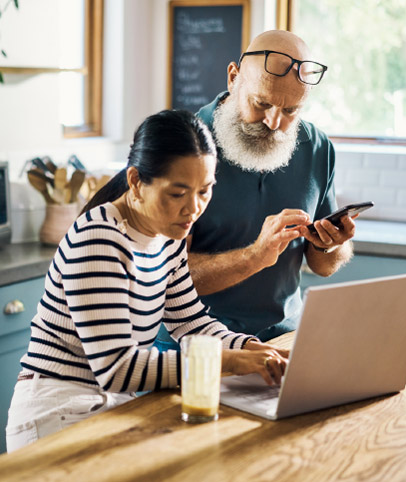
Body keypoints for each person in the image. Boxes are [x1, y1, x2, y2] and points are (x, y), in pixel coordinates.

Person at [6, 110, 289, 453]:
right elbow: (117, 368)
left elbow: (190, 320)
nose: (194, 209)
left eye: (205, 190)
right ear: (137, 181)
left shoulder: (167, 233)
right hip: (56, 411)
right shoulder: (99, 238)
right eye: (178, 193)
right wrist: (227, 361)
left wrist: (249, 347)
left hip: (110, 406)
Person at [156, 30, 356, 348]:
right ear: (234, 78)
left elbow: (323, 266)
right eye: (262, 103)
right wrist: (255, 257)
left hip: (284, 339)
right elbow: (162, 278)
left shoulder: (318, 147)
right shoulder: (182, 145)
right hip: (196, 344)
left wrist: (331, 245)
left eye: (291, 110)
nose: (275, 122)